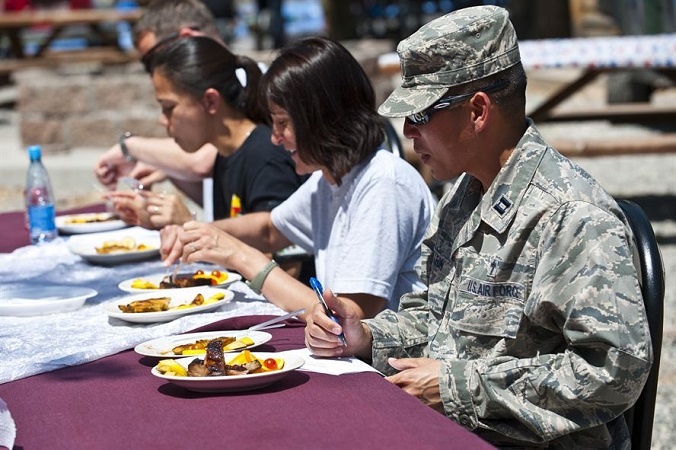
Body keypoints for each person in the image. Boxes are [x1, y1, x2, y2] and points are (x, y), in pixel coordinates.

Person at [304, 6, 653, 448]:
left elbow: (614, 371)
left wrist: (458, 387)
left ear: (478, 111)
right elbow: (432, 319)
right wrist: (367, 335)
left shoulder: (570, 215)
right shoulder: (464, 195)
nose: (408, 130)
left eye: (422, 114)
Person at [161, 36, 435, 318]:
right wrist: (199, 233)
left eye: (282, 123)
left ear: (320, 119)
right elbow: (270, 229)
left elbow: (348, 318)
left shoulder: (383, 184)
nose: (275, 139)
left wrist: (240, 257)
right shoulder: (329, 178)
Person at [109, 35, 304, 232]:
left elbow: (281, 247)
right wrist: (156, 212)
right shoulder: (226, 154)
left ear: (210, 101)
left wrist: (189, 225)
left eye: (169, 107)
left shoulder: (265, 156)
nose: (163, 120)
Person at [93, 0, 227, 217]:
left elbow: (202, 161)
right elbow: (224, 198)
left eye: (153, 59)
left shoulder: (249, 82)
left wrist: (129, 147)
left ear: (186, 38)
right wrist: (167, 167)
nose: (153, 71)